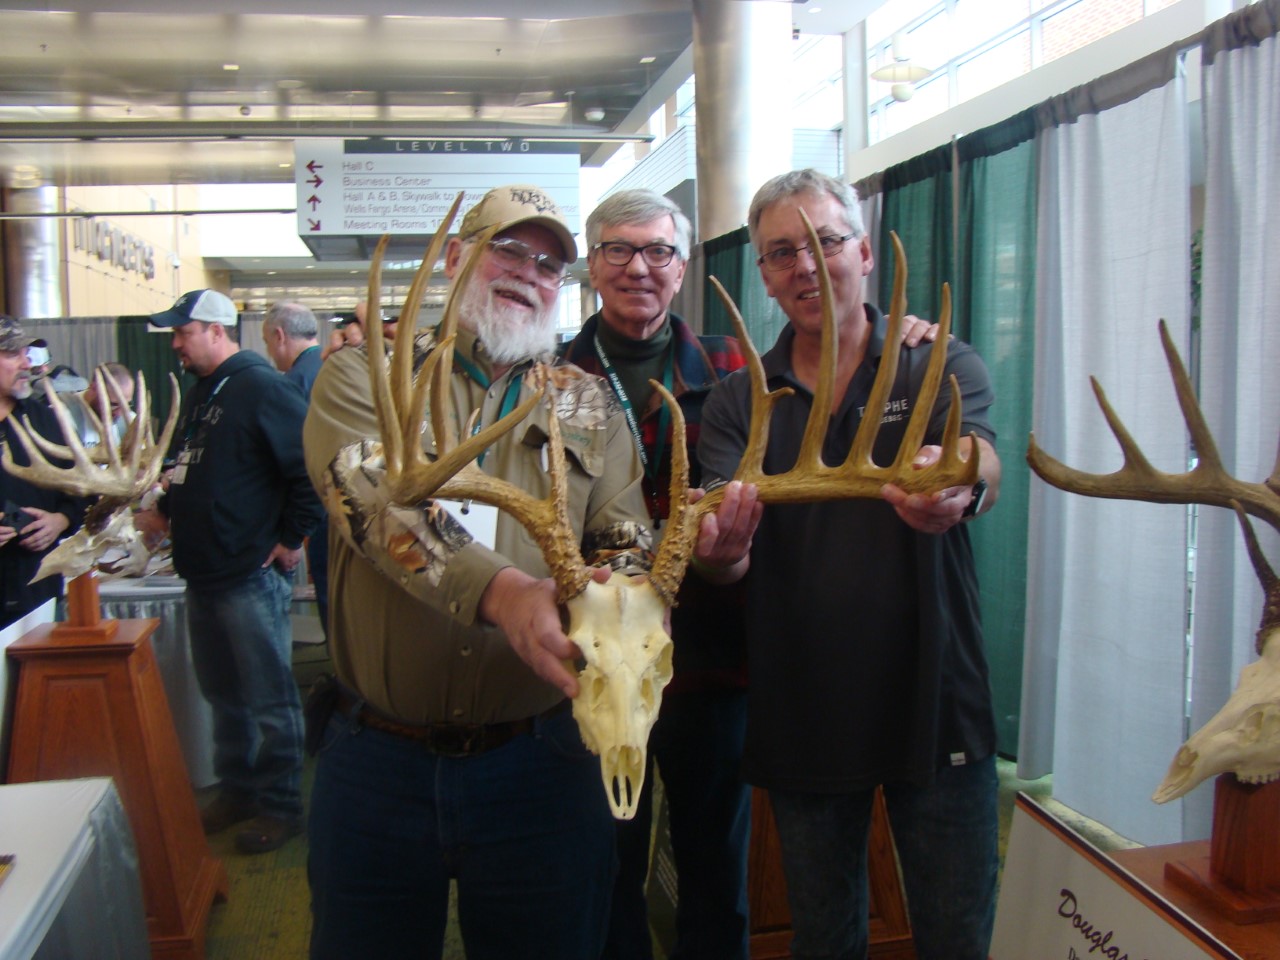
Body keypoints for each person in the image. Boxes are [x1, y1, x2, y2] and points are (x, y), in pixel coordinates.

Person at [302, 184, 657, 960]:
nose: (530, 272)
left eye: (550, 264)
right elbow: (371, 503)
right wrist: (507, 594)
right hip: (378, 763)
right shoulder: (366, 376)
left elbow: (626, 540)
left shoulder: (588, 405)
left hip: (544, 764)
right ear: (458, 258)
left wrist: (627, 593)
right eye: (509, 249)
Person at [696, 168, 1003, 960]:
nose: (806, 265)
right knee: (824, 937)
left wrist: (956, 484)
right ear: (762, 273)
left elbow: (983, 461)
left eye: (825, 242)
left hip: (936, 698)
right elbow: (727, 557)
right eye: (781, 252)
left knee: (956, 935)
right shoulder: (739, 401)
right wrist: (721, 558)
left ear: (863, 252)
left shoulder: (933, 362)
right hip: (805, 706)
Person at [561, 188, 753, 960]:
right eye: (618, 249)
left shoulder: (734, 367)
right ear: (593, 265)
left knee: (716, 865)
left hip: (710, 660)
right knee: (607, 864)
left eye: (659, 251)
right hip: (600, 669)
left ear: (682, 268)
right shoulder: (553, 379)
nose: (639, 267)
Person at [142, 288, 323, 855]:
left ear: (216, 331)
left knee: (268, 697)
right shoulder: (204, 394)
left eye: (182, 332)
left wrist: (290, 536)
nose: (175, 344)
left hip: (247, 573)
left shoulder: (262, 388)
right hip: (205, 573)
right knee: (223, 694)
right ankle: (239, 791)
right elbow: (195, 467)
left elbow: (312, 469)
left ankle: (280, 806)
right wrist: (167, 510)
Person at [0, 317, 86, 628]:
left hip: (35, 590)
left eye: (26, 353)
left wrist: (59, 521)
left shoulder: (46, 421)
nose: (27, 363)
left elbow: (80, 493)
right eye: (12, 354)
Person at [262, 300, 328, 633]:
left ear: (278, 336)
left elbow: (302, 468)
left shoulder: (291, 385)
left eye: (268, 344)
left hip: (322, 517)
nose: (271, 353)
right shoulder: (341, 368)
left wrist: (291, 537)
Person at [64, 361, 135, 447]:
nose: (119, 413)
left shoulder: (131, 421)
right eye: (113, 404)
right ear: (93, 388)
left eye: (126, 405)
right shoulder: (66, 418)